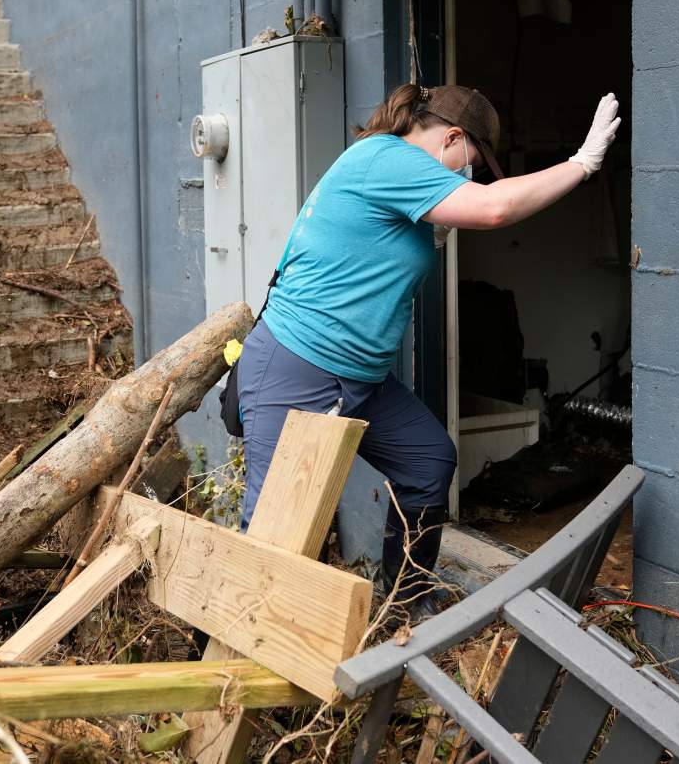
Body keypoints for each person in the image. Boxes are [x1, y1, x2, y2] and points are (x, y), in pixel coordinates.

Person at [235, 84, 621, 619]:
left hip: (361, 376)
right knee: (277, 523)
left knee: (427, 460)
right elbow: (493, 209)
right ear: (452, 138)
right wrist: (581, 164)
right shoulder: (386, 157)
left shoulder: (395, 171)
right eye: (472, 162)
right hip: (301, 361)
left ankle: (403, 604)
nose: (472, 175)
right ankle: (242, 659)